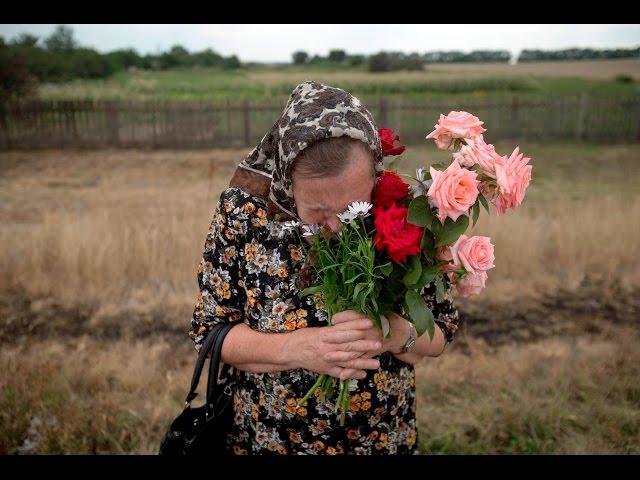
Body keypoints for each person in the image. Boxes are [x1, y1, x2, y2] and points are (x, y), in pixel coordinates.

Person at [188, 80, 461, 455]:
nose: (335, 227)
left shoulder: (401, 210)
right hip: (271, 440)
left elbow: (441, 331)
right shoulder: (243, 213)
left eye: (351, 208)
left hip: (381, 438)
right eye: (316, 212)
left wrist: (397, 334)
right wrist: (300, 349)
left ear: (375, 179)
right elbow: (208, 333)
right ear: (287, 184)